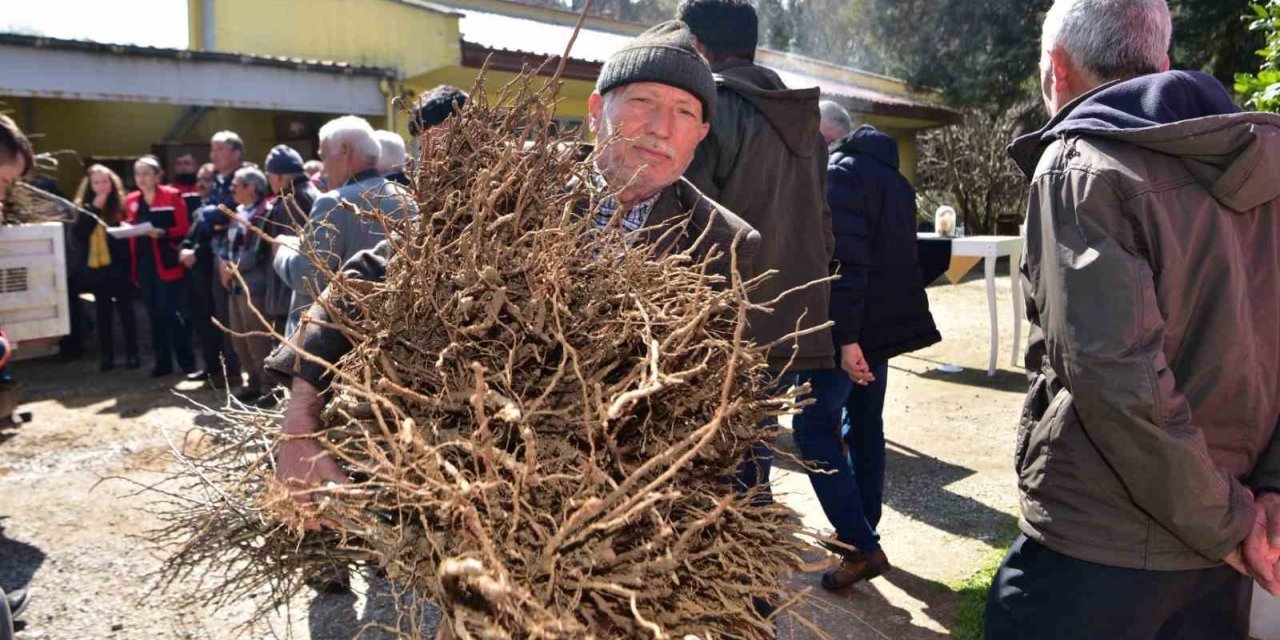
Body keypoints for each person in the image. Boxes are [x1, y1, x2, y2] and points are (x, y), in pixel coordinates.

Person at [264, 20, 758, 519]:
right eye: (643, 102)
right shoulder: (506, 188)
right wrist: (301, 423)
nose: (661, 128)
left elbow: (715, 404)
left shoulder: (725, 244)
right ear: (595, 111)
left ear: (701, 135)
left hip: (616, 511)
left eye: (684, 112)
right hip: (463, 484)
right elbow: (370, 277)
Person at [983, 1, 1280, 638]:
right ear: (1162, 64)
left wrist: (1232, 524)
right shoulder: (1259, 164)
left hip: (1103, 545)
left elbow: (1116, 381)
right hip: (1225, 540)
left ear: (1056, 68)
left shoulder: (1080, 166)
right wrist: (1262, 503)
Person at [678, 0, 867, 589]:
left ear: (699, 45)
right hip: (792, 323)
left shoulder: (713, 107)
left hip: (726, 321)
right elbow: (823, 220)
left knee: (729, 477)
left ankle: (747, 606)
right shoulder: (801, 118)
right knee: (748, 463)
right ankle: (749, 599)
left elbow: (688, 221)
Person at [820, 100, 941, 587]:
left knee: (818, 430)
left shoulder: (839, 173)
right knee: (866, 424)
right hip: (880, 329)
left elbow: (846, 264)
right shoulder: (894, 178)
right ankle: (862, 527)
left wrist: (845, 337)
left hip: (849, 332)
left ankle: (858, 541)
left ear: (830, 135)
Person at [271, 115, 417, 336]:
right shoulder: (405, 197)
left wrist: (281, 248)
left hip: (335, 337)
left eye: (324, 156)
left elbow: (307, 276)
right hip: (392, 332)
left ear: (346, 150)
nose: (323, 168)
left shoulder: (334, 202)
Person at [180, 135, 244, 388]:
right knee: (210, 316)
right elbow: (207, 218)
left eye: (220, 149)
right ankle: (217, 371)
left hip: (230, 259)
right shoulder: (219, 180)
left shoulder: (242, 178)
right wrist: (211, 217)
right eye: (212, 149)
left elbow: (222, 214)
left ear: (236, 152)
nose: (213, 154)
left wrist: (212, 216)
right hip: (210, 257)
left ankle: (234, 373)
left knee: (229, 320)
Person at [127, 156, 196, 378]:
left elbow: (184, 227)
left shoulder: (171, 195)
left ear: (158, 176)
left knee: (173, 314)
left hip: (167, 262)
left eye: (147, 173)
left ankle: (187, 362)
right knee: (154, 315)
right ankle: (162, 363)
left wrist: (163, 233)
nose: (142, 178)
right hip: (144, 264)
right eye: (138, 174)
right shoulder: (131, 200)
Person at [72, 165, 140, 372]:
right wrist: (94, 208)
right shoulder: (84, 206)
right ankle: (107, 356)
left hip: (120, 265)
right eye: (96, 183)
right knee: (103, 314)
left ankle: (132, 354)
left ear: (112, 182)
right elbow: (80, 234)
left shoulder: (122, 202)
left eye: (105, 182)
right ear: (90, 186)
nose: (101, 186)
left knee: (127, 311)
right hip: (98, 267)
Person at [218, 167, 275, 404]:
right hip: (234, 284)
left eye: (237, 185)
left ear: (252, 187)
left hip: (253, 284)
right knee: (239, 338)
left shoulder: (264, 213)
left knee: (257, 339)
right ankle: (252, 381)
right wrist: (223, 263)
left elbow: (259, 251)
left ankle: (268, 386)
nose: (232, 190)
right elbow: (225, 243)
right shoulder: (237, 212)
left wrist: (234, 267)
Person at [261, 145, 320, 336]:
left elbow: (289, 252)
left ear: (278, 177)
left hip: (290, 301)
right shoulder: (315, 194)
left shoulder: (290, 202)